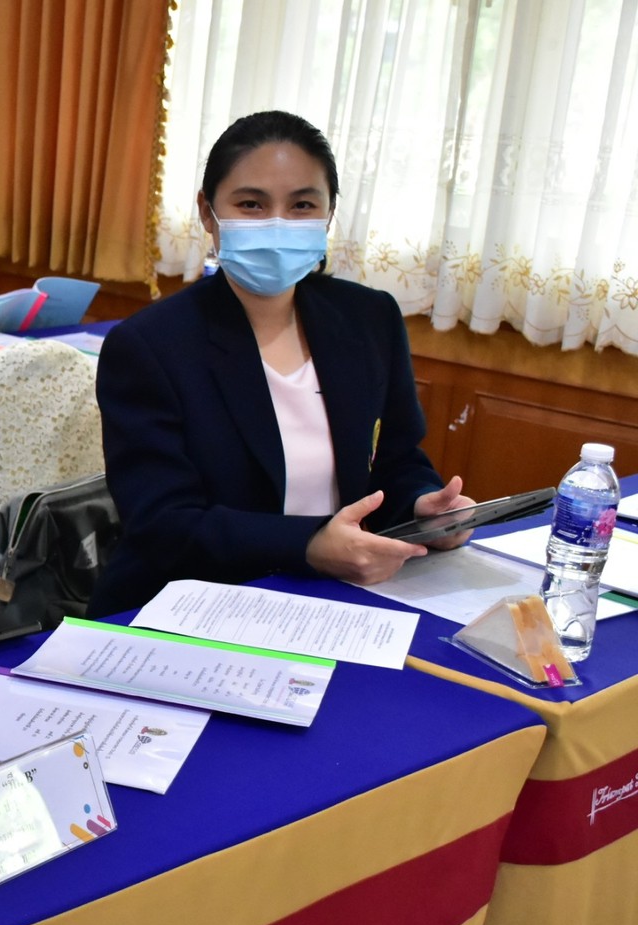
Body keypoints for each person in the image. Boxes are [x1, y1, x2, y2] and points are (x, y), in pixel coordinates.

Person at [86, 110, 473, 616]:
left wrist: (423, 508)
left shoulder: (369, 319)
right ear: (208, 212)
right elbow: (163, 523)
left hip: (336, 596)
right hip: (188, 603)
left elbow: (395, 460)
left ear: (329, 215)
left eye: (302, 205)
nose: (277, 224)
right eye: (251, 204)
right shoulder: (149, 345)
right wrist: (309, 544)